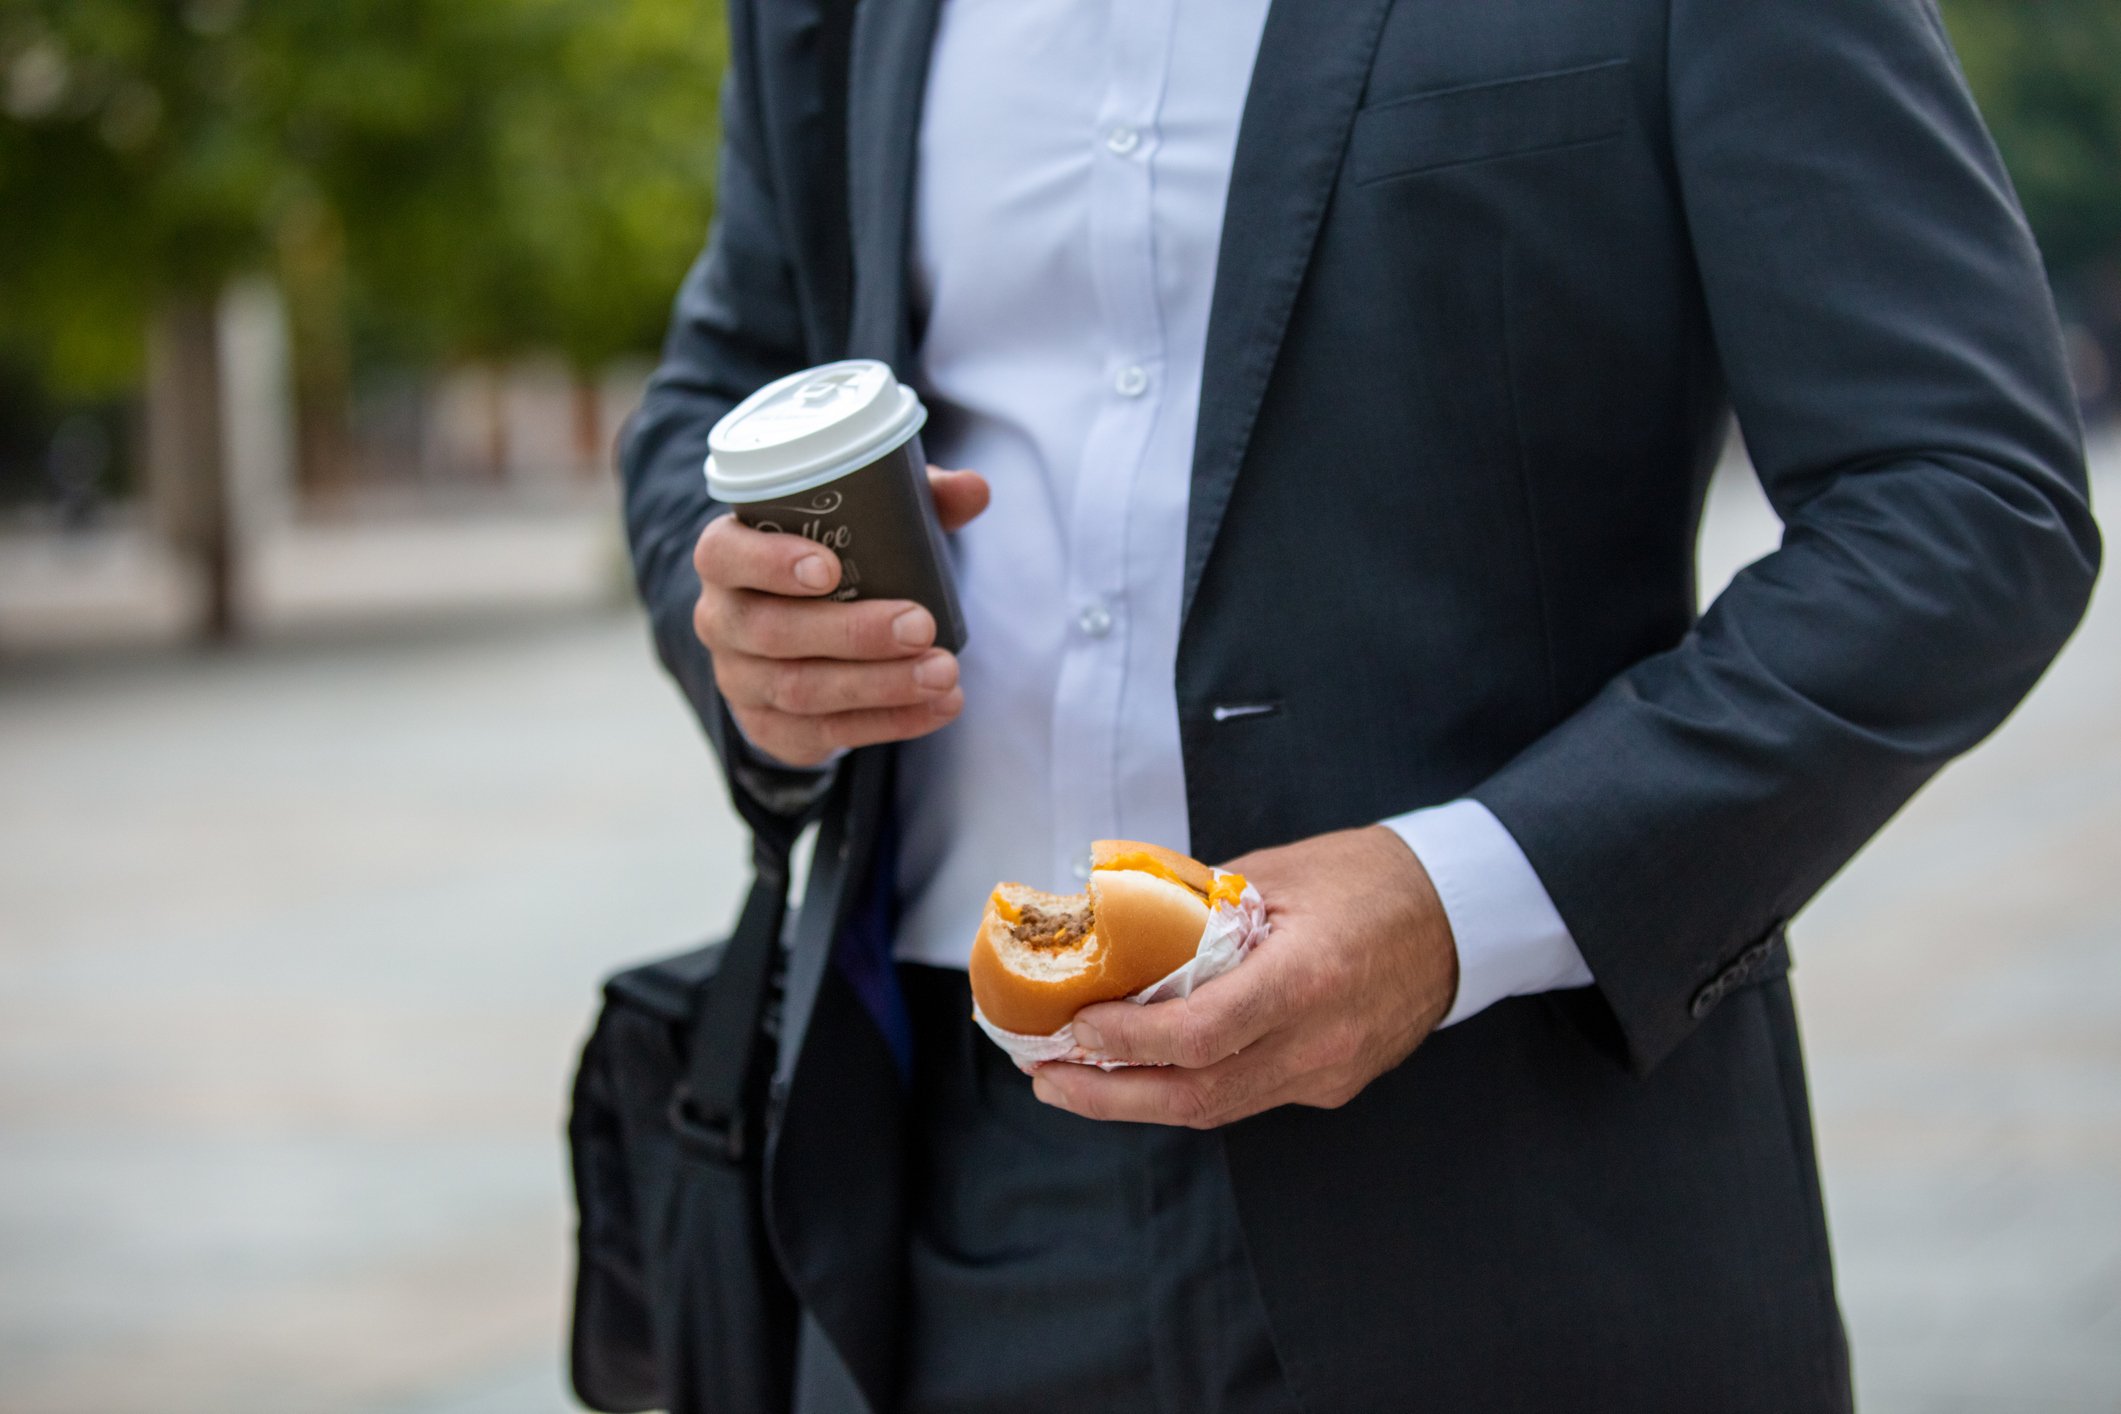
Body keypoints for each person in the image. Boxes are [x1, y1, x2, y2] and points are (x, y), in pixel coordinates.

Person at [618, 0, 2100, 1408]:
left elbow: (1965, 503)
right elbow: (722, 391)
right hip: (948, 1186)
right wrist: (754, 624)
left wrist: (1457, 897)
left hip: (1522, 1168)